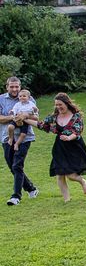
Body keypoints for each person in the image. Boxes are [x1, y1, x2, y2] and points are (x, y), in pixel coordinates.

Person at [34, 93, 86, 202]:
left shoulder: (76, 116)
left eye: (60, 104)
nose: (58, 107)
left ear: (67, 104)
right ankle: (67, 200)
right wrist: (25, 120)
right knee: (60, 174)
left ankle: (82, 181)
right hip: (60, 147)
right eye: (56, 105)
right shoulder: (54, 117)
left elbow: (77, 131)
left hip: (74, 146)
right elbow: (41, 125)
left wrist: (69, 138)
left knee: (71, 175)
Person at [1, 77, 39, 206]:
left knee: (17, 165)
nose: (14, 89)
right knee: (12, 166)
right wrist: (14, 117)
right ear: (7, 87)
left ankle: (16, 196)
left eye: (17, 86)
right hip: (7, 137)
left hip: (24, 137)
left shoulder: (27, 97)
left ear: (20, 86)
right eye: (12, 87)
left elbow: (36, 117)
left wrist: (25, 116)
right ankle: (31, 188)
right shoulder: (1, 99)